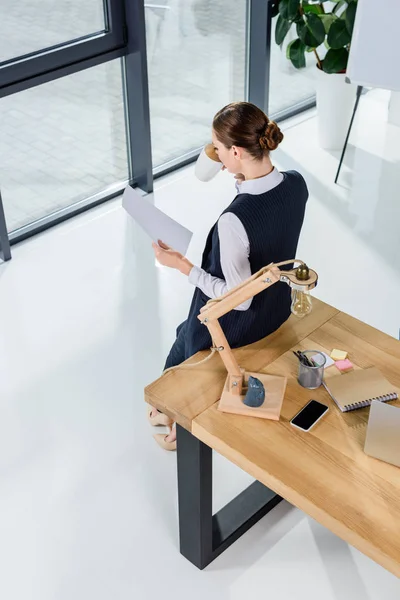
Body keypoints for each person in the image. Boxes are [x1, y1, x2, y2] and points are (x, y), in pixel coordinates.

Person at [148, 101, 309, 450]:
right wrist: (242, 177)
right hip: (277, 309)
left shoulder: (233, 221)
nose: (216, 158)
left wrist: (183, 267)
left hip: (242, 325)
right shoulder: (297, 184)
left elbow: (238, 300)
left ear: (236, 151)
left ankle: (174, 417)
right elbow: (271, 223)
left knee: (190, 334)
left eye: (219, 150)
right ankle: (166, 407)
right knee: (184, 332)